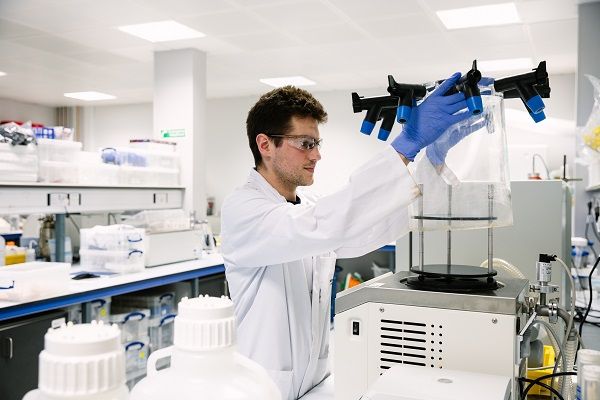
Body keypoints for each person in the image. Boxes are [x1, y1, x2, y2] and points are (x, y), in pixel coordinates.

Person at [221, 73, 471, 400]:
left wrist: (432, 160)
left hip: (314, 383)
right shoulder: (243, 208)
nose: (316, 155)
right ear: (266, 145)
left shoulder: (307, 208)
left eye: (317, 144)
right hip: (261, 390)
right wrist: (406, 144)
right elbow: (325, 223)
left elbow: (365, 227)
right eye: (305, 144)